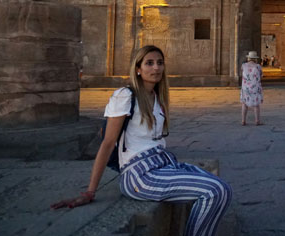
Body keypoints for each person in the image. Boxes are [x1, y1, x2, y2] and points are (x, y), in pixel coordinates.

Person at [51, 45, 232, 236]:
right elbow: (107, 143)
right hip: (140, 174)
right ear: (138, 69)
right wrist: (90, 191)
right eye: (149, 63)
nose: (156, 68)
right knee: (215, 191)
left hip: (163, 164)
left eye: (160, 63)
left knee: (222, 189)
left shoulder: (157, 97)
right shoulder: (125, 95)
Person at [241, 51, 263, 126]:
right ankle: (257, 121)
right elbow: (261, 75)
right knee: (256, 105)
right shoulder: (258, 66)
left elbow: (243, 74)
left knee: (244, 104)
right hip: (255, 87)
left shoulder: (243, 65)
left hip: (245, 88)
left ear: (248, 58)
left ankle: (243, 121)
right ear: (255, 59)